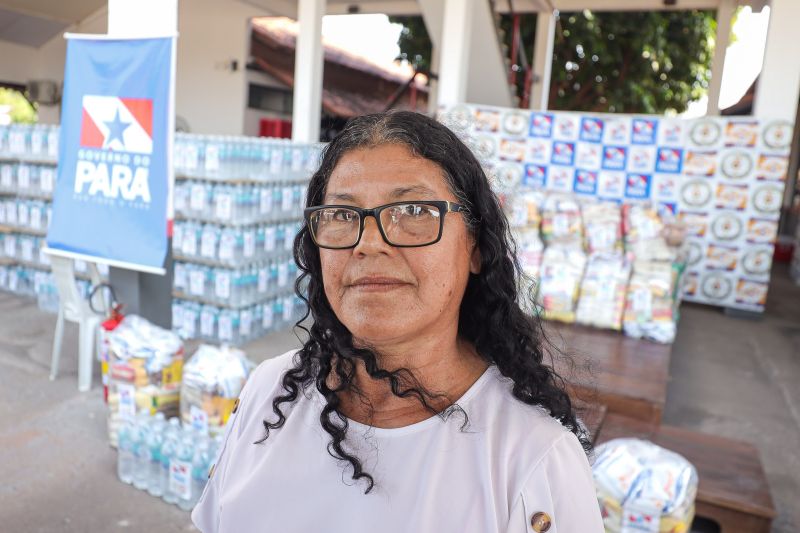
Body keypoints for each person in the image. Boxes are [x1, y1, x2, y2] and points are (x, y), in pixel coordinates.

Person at [192, 111, 604, 533]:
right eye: (342, 214)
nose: (370, 244)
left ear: (477, 246)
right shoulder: (269, 391)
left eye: (413, 210)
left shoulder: (533, 458)